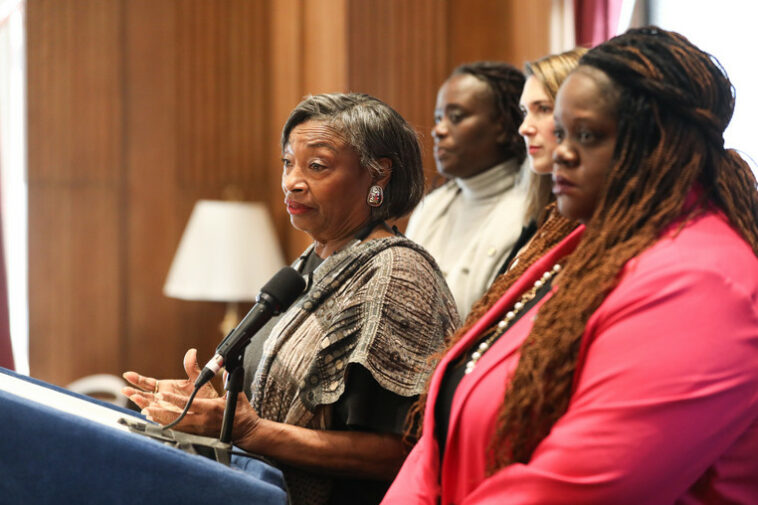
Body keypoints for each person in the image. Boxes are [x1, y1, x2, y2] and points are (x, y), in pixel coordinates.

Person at [383, 27, 758, 504]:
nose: (561, 151)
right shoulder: (578, 244)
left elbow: (574, 490)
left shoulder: (705, 284)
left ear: (659, 143)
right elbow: (437, 441)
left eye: (587, 135)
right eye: (561, 132)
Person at [122, 93, 460, 505]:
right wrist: (216, 410)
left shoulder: (397, 278)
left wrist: (250, 432)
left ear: (378, 175)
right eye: (288, 163)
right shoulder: (311, 262)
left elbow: (403, 452)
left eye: (316, 166)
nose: (292, 181)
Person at [404, 61, 528, 319]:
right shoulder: (432, 206)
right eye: (439, 118)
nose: (439, 130)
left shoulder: (529, 213)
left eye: (456, 117)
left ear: (504, 127)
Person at [494, 47, 587, 277]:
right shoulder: (542, 213)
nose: (524, 128)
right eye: (525, 112)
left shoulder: (591, 224)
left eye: (543, 109)